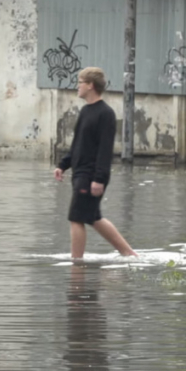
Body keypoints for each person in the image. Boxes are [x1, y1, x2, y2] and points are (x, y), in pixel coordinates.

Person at [54, 67, 137, 259]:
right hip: (79, 173)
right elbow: (78, 144)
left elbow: (104, 150)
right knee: (93, 218)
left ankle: (77, 263)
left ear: (90, 85)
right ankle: (129, 254)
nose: (77, 86)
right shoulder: (85, 111)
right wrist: (63, 165)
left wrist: (99, 178)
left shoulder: (105, 113)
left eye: (80, 82)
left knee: (76, 218)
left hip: (91, 175)